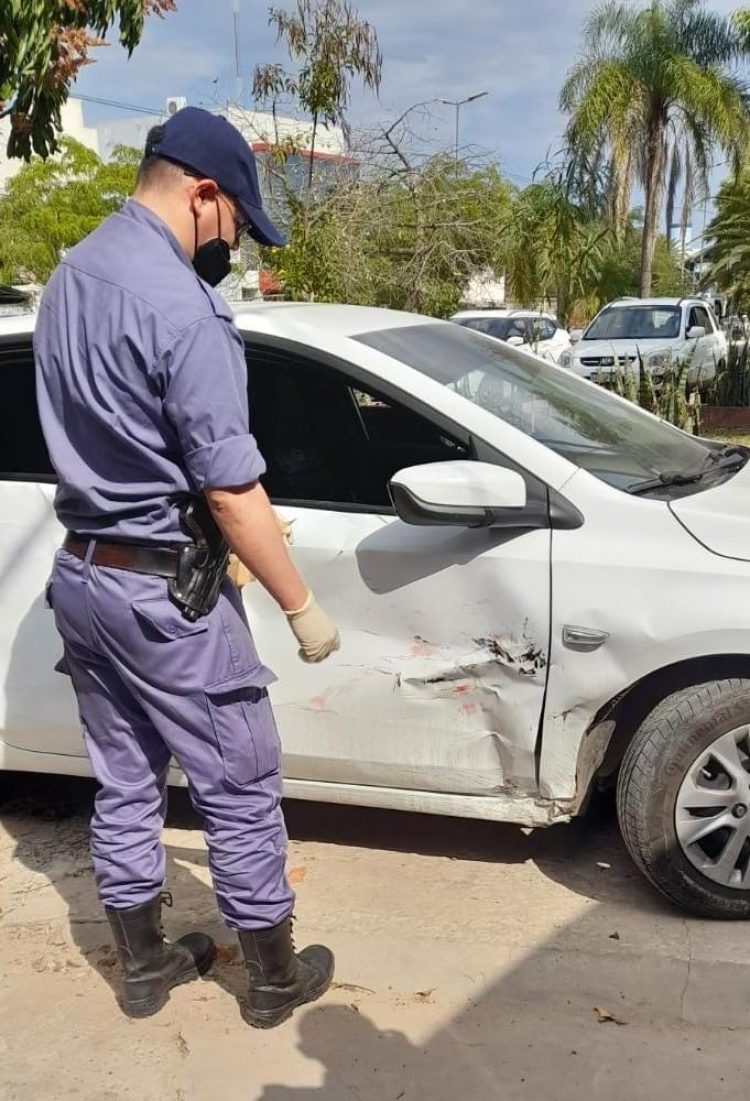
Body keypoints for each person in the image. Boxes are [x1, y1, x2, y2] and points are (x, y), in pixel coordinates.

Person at [33, 106, 339, 1029]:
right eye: (237, 221)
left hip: (84, 576)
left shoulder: (70, 277)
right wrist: (301, 603)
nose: (236, 244)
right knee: (239, 780)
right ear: (203, 194)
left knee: (124, 777)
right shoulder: (186, 308)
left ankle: (143, 965)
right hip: (166, 594)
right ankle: (275, 976)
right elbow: (230, 492)